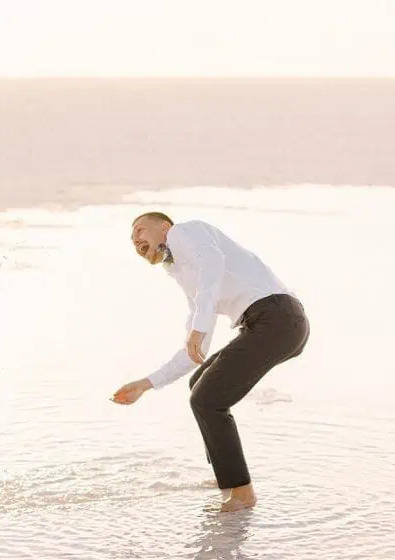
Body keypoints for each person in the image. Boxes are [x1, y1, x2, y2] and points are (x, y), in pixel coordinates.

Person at [112, 212, 309, 511]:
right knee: (199, 384)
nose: (135, 239)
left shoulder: (185, 232)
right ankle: (226, 477)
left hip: (278, 318)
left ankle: (242, 492)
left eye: (140, 229)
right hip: (269, 324)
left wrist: (199, 326)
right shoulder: (186, 276)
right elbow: (196, 349)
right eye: (132, 239)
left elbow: (212, 264)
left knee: (207, 399)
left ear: (164, 227)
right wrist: (146, 384)